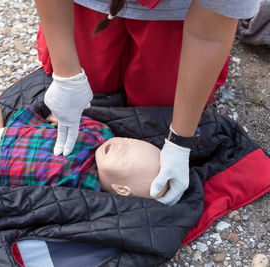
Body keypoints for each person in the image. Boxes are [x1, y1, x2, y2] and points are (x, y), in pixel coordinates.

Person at [33, 0, 260, 205]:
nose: (122, 144)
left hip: (179, 13)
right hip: (89, 5)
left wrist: (181, 139)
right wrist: (66, 75)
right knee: (92, 81)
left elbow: (210, 34)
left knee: (160, 104)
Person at [0, 99, 168, 199]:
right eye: (130, 143)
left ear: (122, 189)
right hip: (0, 134)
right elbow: (77, 120)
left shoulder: (87, 188)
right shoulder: (103, 135)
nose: (119, 146)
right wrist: (58, 117)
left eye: (123, 159)